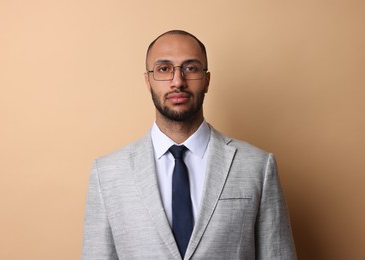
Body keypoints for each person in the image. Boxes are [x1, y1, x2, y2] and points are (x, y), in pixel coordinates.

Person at [82, 30, 297, 260]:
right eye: (164, 69)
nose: (177, 81)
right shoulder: (106, 174)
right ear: (148, 80)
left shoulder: (257, 166)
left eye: (190, 68)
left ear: (206, 80)